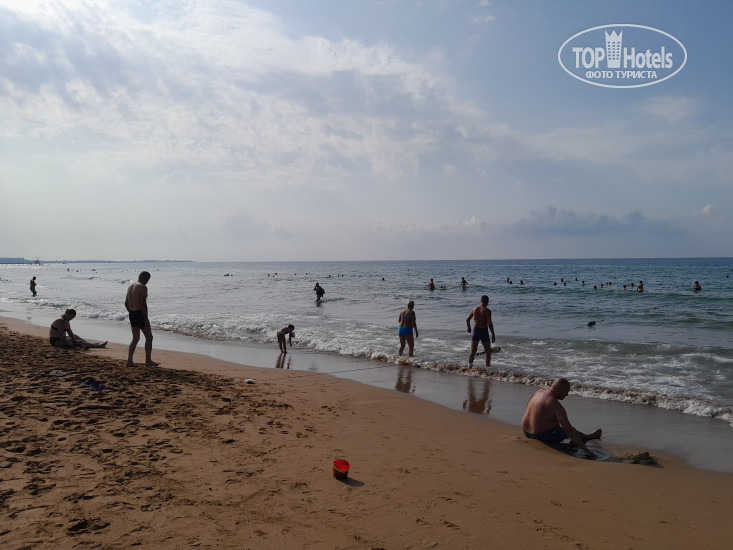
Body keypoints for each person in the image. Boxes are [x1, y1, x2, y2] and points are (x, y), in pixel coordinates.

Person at [522, 377, 602, 459]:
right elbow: (569, 430)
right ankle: (587, 437)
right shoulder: (556, 405)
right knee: (571, 430)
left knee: (554, 420)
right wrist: (586, 450)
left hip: (526, 431)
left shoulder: (539, 392)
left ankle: (587, 436)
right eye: (566, 392)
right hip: (541, 436)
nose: (567, 394)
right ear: (558, 389)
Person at [125, 271, 158, 367]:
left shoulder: (130, 287)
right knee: (149, 337)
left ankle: (129, 361)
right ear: (144, 278)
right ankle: (148, 361)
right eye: (147, 279)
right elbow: (143, 304)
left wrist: (132, 313)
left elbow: (126, 303)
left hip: (132, 313)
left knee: (135, 338)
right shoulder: (142, 287)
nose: (147, 282)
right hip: (140, 313)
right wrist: (145, 318)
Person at [466, 295, 495, 368]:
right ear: (487, 302)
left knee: (473, 351)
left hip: (475, 331)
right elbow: (489, 323)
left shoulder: (474, 309)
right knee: (488, 351)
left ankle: (469, 367)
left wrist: (469, 328)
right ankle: (487, 368)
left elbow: (468, 320)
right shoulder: (487, 311)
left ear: (481, 301)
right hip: (484, 331)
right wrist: (493, 334)